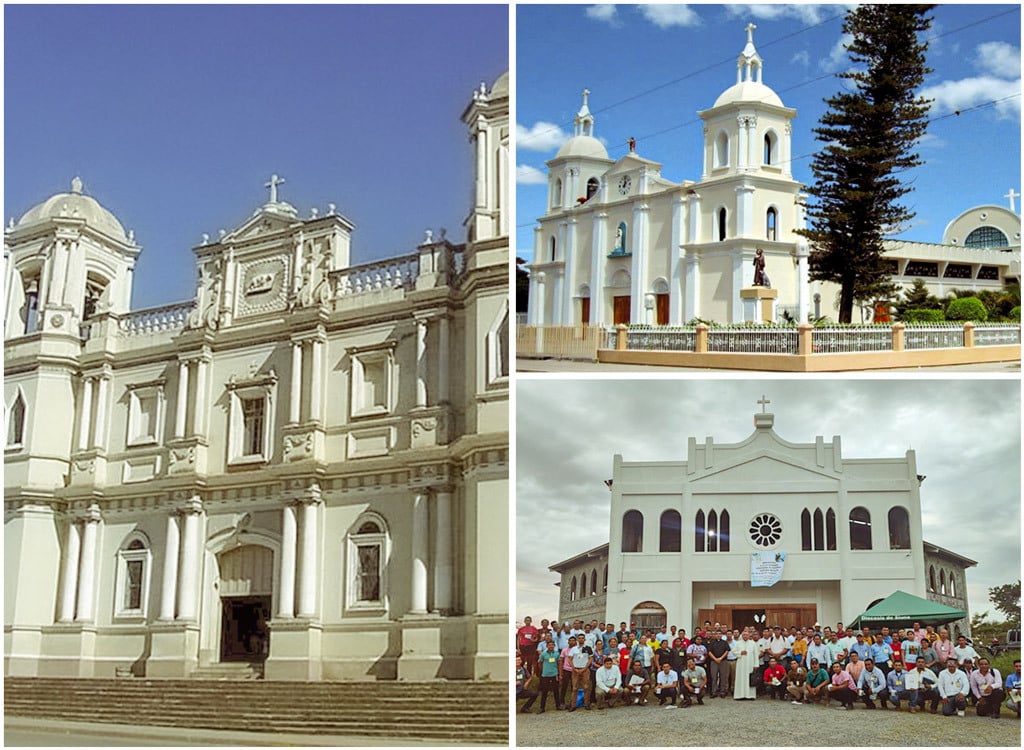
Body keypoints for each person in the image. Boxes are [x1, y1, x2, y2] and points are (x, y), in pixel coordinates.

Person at [532, 640, 562, 713]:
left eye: (552, 645)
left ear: (554, 646)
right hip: (545, 675)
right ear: (547, 646)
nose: (551, 646)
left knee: (556, 691)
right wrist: (543, 670)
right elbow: (539, 663)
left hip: (554, 674)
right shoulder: (543, 654)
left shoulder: (557, 654)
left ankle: (558, 705)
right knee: (544, 691)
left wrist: (560, 674)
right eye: (549, 645)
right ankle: (542, 707)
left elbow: (559, 664)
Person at [732, 631, 759, 700]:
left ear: (749, 636)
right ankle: (739, 695)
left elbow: (756, 654)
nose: (745, 636)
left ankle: (750, 695)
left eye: (746, 635)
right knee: (740, 679)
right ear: (742, 636)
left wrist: (756, 664)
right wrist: (740, 653)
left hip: (750, 664)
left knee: (750, 679)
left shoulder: (753, 643)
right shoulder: (738, 643)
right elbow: (733, 652)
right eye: (744, 635)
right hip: (741, 664)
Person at [568, 636, 593, 712]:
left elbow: (590, 659)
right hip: (576, 670)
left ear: (584, 639)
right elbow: (570, 659)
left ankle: (586, 704)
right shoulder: (573, 649)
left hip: (585, 670)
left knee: (586, 687)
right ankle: (573, 705)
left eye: (582, 638)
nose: (581, 639)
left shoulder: (588, 648)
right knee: (575, 688)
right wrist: (574, 668)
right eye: (579, 638)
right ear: (577, 640)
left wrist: (585, 668)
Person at [706, 629, 730, 698]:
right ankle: (714, 692)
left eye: (720, 634)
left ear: (722, 635)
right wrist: (715, 659)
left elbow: (727, 651)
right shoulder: (712, 642)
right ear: (715, 635)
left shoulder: (724, 642)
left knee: (723, 677)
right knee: (714, 677)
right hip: (714, 661)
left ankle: (723, 691)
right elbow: (709, 652)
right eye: (717, 634)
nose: (718, 635)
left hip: (723, 661)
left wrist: (720, 658)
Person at [558, 635, 578, 709]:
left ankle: (573, 703)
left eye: (573, 640)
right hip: (566, 670)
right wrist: (560, 673)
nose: (572, 642)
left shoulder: (578, 650)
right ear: (568, 642)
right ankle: (562, 702)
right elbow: (561, 662)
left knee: (574, 687)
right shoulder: (564, 650)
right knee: (564, 687)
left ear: (576, 642)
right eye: (570, 640)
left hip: (575, 670)